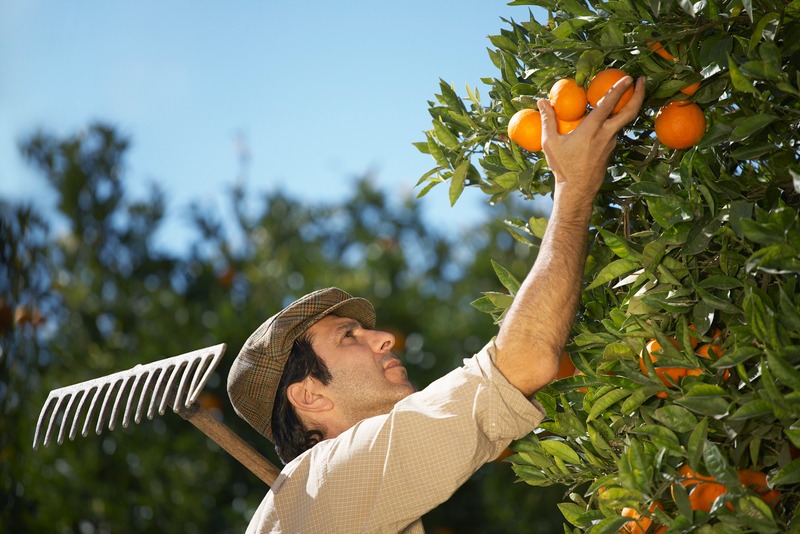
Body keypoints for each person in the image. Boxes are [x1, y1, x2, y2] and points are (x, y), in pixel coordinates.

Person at [227, 75, 647, 533]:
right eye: (348, 336)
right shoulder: (326, 477)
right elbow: (521, 363)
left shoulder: (321, 503)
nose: (384, 338)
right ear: (309, 395)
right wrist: (574, 185)